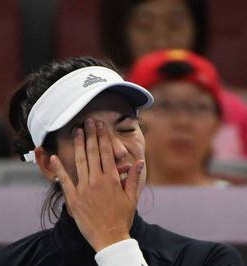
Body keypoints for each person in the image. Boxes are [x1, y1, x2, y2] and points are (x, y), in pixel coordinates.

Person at [0, 56, 245, 266]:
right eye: (88, 136)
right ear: (47, 163)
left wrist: (114, 243)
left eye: (127, 128)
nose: (117, 149)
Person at [100, 0, 247, 160]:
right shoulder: (102, 104)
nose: (161, 41)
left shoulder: (237, 110)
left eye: (175, 26)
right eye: (144, 26)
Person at [127, 49, 230, 186]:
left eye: (198, 107)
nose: (182, 122)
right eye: (165, 105)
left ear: (217, 124)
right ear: (132, 123)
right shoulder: (111, 203)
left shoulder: (238, 204)